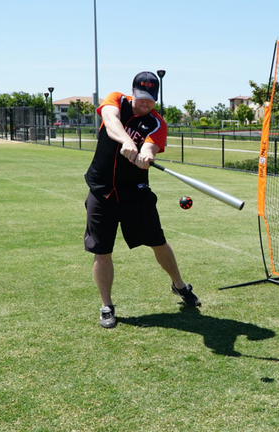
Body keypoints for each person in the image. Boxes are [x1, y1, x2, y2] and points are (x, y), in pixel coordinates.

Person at [84, 71, 201, 329]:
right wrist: (127, 141)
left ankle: (179, 286)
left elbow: (150, 147)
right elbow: (110, 120)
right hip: (101, 190)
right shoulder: (116, 100)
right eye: (141, 97)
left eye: (150, 100)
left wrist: (145, 155)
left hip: (135, 192)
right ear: (133, 92)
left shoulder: (158, 123)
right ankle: (107, 306)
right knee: (102, 250)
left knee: (158, 242)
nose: (145, 103)